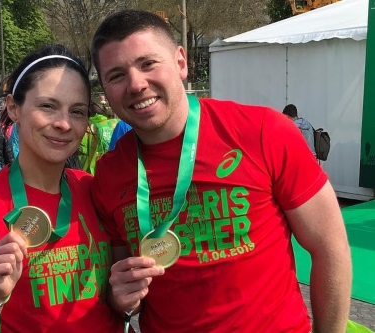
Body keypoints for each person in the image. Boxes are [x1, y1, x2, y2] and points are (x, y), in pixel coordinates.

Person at [90, 9, 352, 333]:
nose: (136, 84)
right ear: (104, 89)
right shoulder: (108, 175)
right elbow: (124, 288)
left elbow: (330, 246)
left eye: (148, 64)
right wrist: (120, 299)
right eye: (116, 75)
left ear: (181, 63)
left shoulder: (263, 131)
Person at [0, 45, 122, 333]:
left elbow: (104, 301)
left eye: (77, 111)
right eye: (48, 106)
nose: (63, 123)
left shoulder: (93, 190)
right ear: (13, 107)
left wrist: (123, 299)